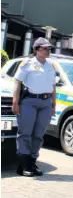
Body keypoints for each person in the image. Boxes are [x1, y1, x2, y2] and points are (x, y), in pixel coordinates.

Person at [12, 37, 56, 177]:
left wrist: (54, 104)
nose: (48, 50)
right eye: (44, 48)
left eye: (49, 48)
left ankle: (31, 162)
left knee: (39, 135)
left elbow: (53, 86)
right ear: (37, 50)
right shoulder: (28, 63)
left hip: (46, 103)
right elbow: (17, 82)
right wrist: (15, 101)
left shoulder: (51, 65)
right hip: (30, 101)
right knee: (26, 133)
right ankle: (24, 165)